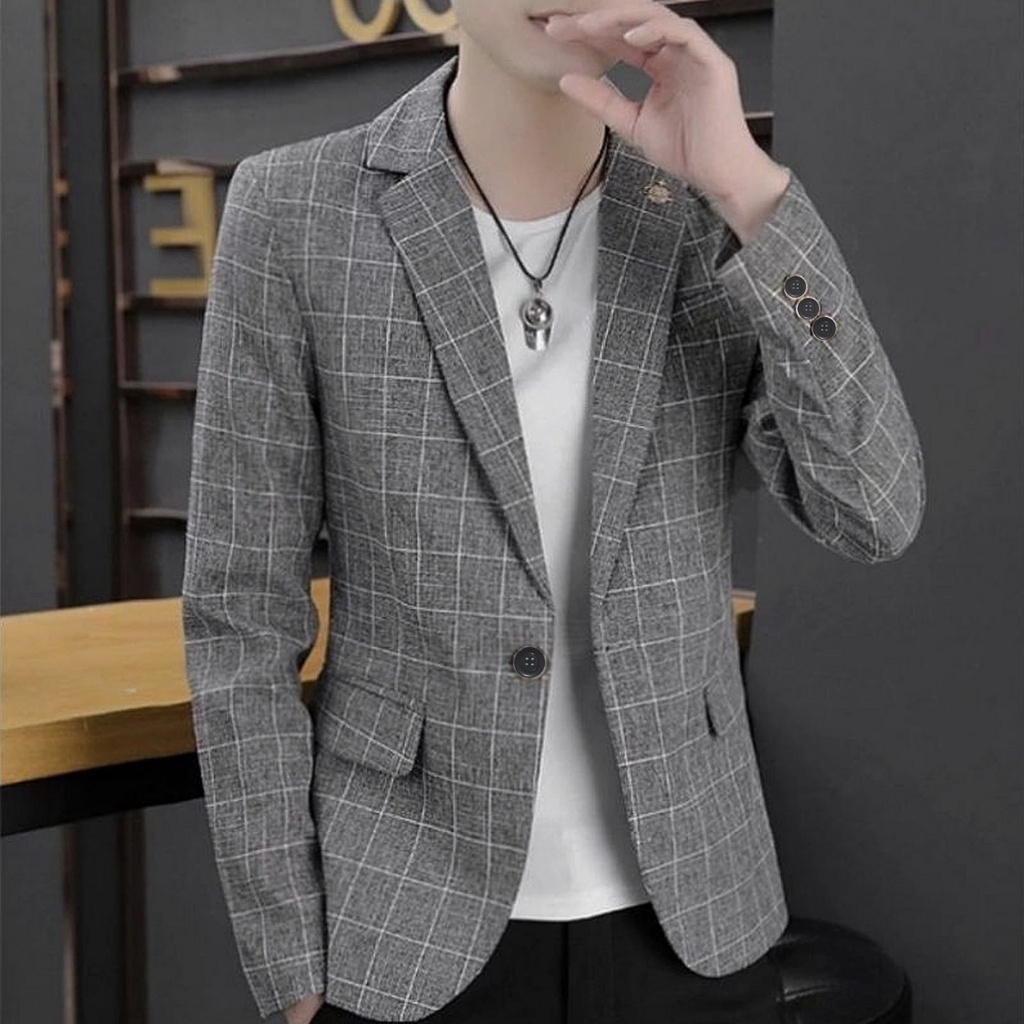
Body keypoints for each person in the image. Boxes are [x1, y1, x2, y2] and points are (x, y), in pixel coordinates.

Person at [181, 3, 925, 1023]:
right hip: (401, 925)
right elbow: (239, 615)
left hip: (697, 915)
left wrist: (751, 193)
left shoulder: (706, 212)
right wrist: (289, 966)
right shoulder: (295, 208)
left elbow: (872, 509)